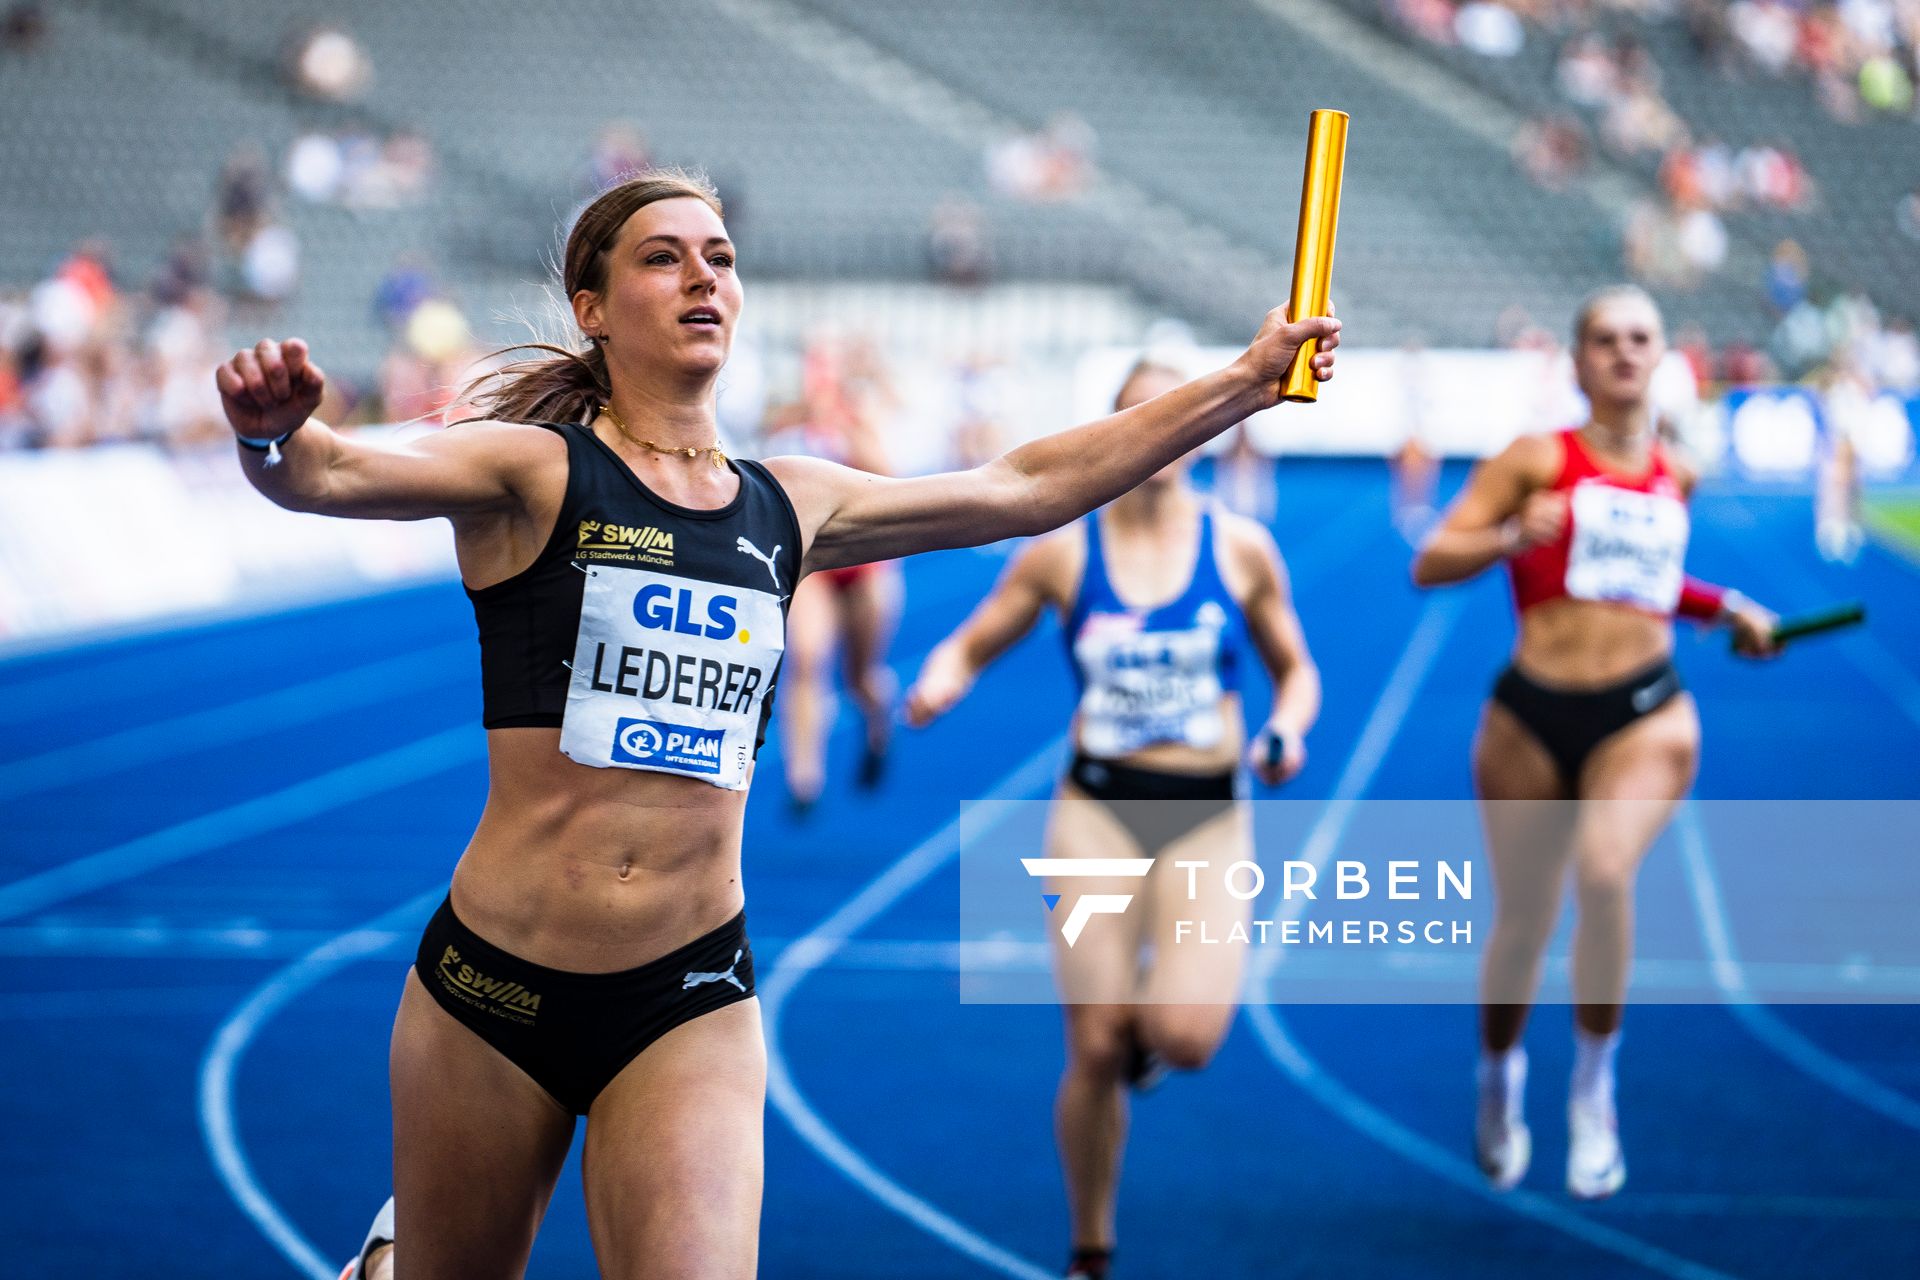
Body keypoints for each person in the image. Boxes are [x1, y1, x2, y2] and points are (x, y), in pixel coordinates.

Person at [213, 170, 1340, 1280]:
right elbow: (333, 470)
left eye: (722, 258)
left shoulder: (789, 502)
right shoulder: (536, 472)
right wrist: (272, 438)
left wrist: (1245, 380)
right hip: (493, 990)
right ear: (594, 310)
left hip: (688, 993)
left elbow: (1025, 485)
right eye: (665, 256)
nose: (704, 275)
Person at [904, 359, 1321, 1280]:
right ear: (1118, 431)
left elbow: (1297, 668)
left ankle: (1154, 1045)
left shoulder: (1241, 548)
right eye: (1141, 416)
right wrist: (944, 677)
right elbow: (977, 637)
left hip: (1208, 814)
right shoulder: (1064, 549)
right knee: (1091, 1046)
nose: (1163, 436)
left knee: (1186, 1038)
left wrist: (1287, 727)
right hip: (1097, 809)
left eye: (1178, 418)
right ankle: (1091, 1245)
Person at [1410, 284, 1779, 1201]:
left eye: (1639, 338)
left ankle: (1593, 1085)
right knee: (1524, 922)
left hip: (1645, 711)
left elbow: (1642, 579)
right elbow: (1429, 562)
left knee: (1606, 875)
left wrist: (1726, 607)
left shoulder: (1675, 470)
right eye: (1604, 339)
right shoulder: (1534, 459)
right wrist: (1504, 534)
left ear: (1663, 358)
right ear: (1575, 360)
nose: (1622, 353)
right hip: (1531, 713)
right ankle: (1499, 1079)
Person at [765, 337, 904, 808]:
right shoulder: (786, 417)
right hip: (813, 560)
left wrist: (846, 427)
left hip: (864, 561)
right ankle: (805, 777)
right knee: (806, 658)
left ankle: (878, 727)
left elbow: (890, 477)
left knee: (861, 676)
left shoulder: (857, 416)